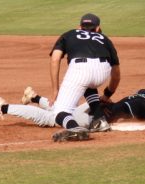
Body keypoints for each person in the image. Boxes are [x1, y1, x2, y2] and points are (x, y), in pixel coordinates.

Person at [43, 11, 120, 142]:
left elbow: (55, 59)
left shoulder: (69, 34)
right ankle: (99, 120)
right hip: (102, 73)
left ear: (79, 27)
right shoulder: (105, 39)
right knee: (88, 85)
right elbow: (116, 74)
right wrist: (107, 95)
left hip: (80, 70)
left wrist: (55, 90)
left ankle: (75, 128)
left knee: (59, 111)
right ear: (97, 29)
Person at [0, 82, 145, 130]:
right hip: (92, 116)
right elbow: (121, 113)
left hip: (92, 108)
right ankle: (3, 107)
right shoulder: (143, 106)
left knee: (60, 110)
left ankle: (34, 97)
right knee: (51, 120)